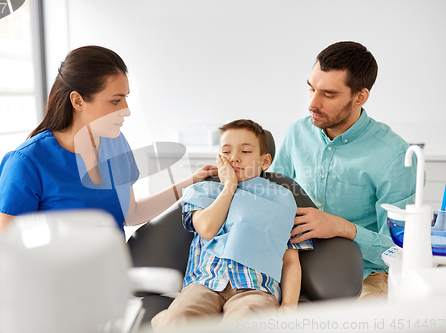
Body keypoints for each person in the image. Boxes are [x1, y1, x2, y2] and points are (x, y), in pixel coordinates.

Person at [0, 45, 217, 233]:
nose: (126, 110)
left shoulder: (116, 144)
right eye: (115, 101)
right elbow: (8, 251)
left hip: (113, 274)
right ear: (78, 101)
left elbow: (132, 214)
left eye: (125, 99)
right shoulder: (27, 162)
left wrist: (191, 182)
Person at [271, 41, 417, 300]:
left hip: (365, 273)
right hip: (294, 262)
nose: (313, 103)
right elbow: (274, 196)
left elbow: (399, 252)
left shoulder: (394, 155)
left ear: (359, 97)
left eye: (328, 94)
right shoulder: (297, 133)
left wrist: (344, 228)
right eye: (311, 88)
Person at [151, 120, 313, 330]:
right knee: (177, 321)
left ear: (265, 161)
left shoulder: (283, 200)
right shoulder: (203, 191)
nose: (234, 157)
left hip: (256, 288)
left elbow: (291, 261)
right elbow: (207, 229)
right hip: (204, 283)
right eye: (226, 151)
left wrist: (288, 307)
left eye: (245, 151)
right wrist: (229, 186)